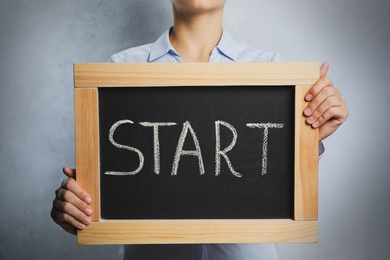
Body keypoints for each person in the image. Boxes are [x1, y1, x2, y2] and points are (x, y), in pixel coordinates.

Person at [51, 0, 349, 259]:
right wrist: (78, 207)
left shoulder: (272, 71)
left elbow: (274, 176)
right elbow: (109, 187)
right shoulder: (120, 70)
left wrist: (311, 135)